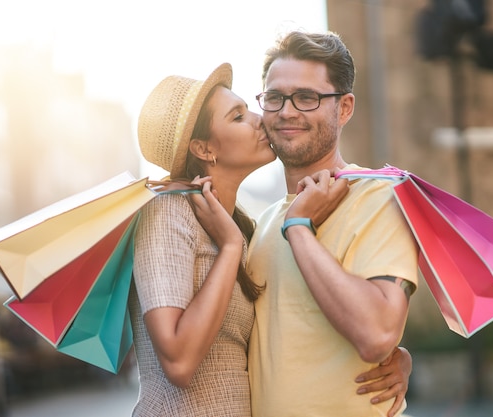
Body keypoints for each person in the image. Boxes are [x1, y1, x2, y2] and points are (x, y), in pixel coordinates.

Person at [128, 63, 412, 417]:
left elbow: (267, 336)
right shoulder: (169, 214)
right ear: (203, 148)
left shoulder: (246, 228)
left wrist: (397, 357)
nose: (260, 120)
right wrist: (231, 248)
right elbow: (179, 362)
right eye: (238, 117)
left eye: (250, 109)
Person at [247, 31, 420, 417]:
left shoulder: (378, 197)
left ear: (344, 108)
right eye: (274, 97)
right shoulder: (261, 223)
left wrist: (300, 229)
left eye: (307, 97)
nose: (287, 111)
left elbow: (377, 335)